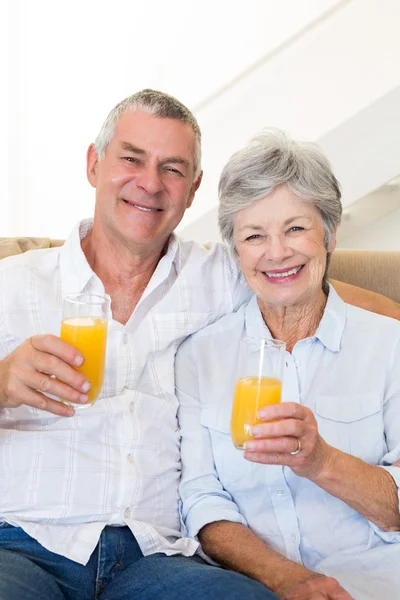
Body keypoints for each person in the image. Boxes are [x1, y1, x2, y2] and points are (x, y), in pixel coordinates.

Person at [0, 91, 397, 600]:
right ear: (94, 164)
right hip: (23, 545)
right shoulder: (13, 284)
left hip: (153, 557)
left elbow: (317, 291)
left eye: (172, 168)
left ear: (193, 190)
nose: (149, 182)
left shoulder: (225, 273)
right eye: (131, 159)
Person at [177, 129, 400, 600]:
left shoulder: (389, 345)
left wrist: (320, 461)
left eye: (296, 228)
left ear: (331, 232)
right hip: (251, 587)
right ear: (236, 251)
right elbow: (201, 501)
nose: (276, 252)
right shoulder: (201, 355)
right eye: (254, 235)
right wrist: (284, 578)